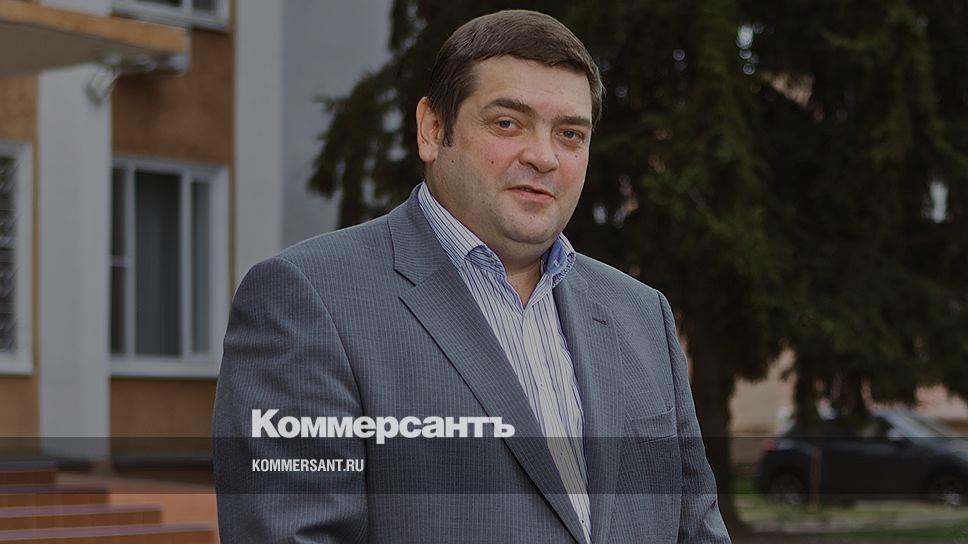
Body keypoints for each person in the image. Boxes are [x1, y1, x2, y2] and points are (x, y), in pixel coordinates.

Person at [213, 9, 730, 544]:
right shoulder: (308, 300)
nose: (543, 157)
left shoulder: (641, 315)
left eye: (570, 133)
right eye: (507, 123)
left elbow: (696, 530)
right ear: (432, 130)